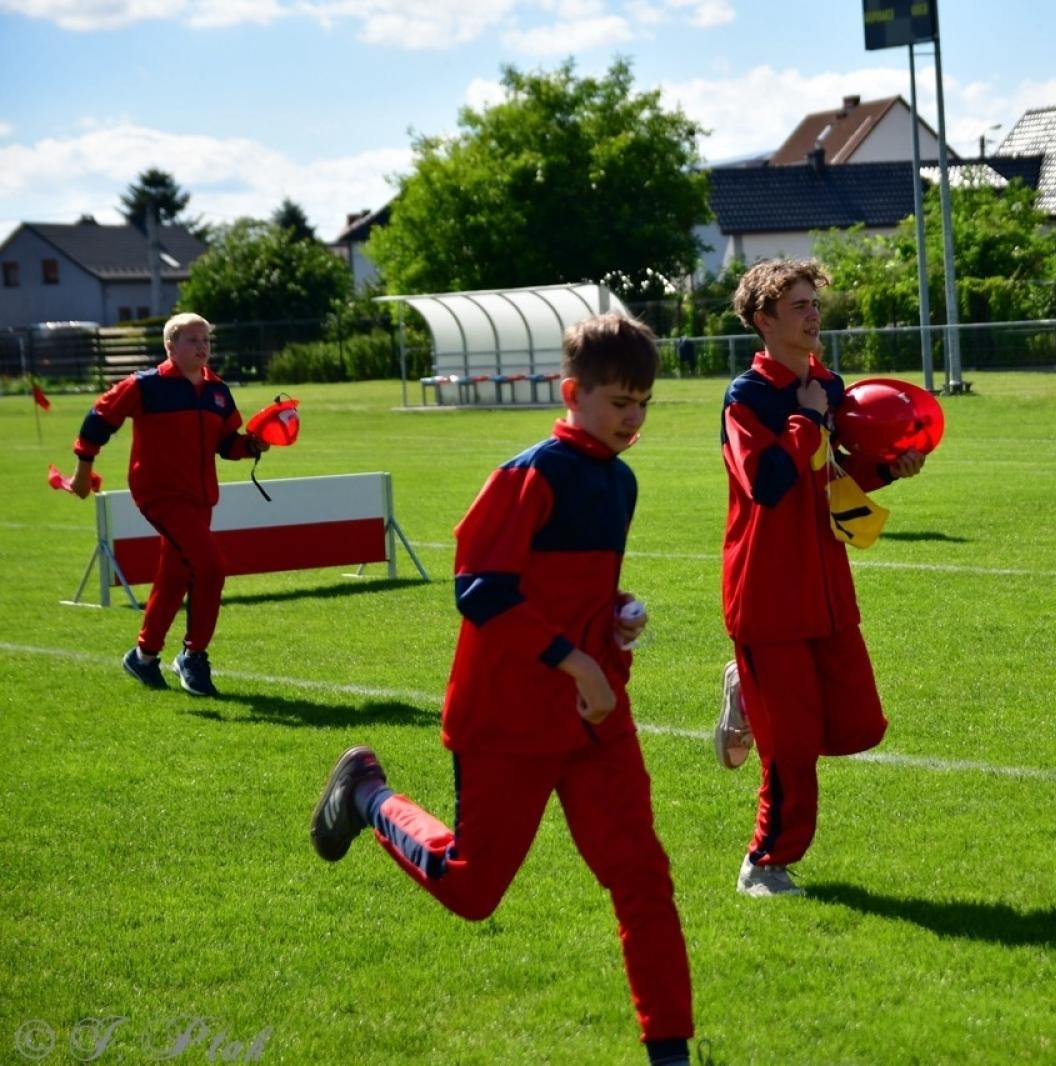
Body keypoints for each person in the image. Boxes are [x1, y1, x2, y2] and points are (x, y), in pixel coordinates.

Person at [309, 312, 695, 1066]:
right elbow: (480, 590)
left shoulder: (620, 481)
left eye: (643, 402)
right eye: (619, 402)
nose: (634, 418)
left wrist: (616, 619)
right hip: (508, 719)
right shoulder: (529, 474)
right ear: (572, 391)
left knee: (642, 877)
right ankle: (367, 797)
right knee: (471, 890)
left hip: (594, 722)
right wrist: (575, 662)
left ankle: (670, 1048)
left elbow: (576, 589)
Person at [714, 259, 926, 897]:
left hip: (825, 581)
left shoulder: (830, 388)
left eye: (813, 303)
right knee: (794, 745)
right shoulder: (746, 397)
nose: (813, 314)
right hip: (767, 589)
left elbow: (832, 483)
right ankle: (765, 863)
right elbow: (769, 485)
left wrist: (890, 470)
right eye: (798, 305)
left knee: (857, 722)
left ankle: (745, 692)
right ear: (764, 321)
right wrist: (805, 416)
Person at [67, 312, 266, 697]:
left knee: (175, 575)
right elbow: (99, 418)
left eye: (205, 339)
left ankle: (143, 656)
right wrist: (81, 471)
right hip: (160, 495)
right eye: (192, 340)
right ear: (170, 346)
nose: (202, 346)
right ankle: (193, 655)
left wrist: (252, 445)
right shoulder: (146, 386)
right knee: (210, 567)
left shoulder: (218, 392)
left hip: (201, 498)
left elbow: (227, 445)